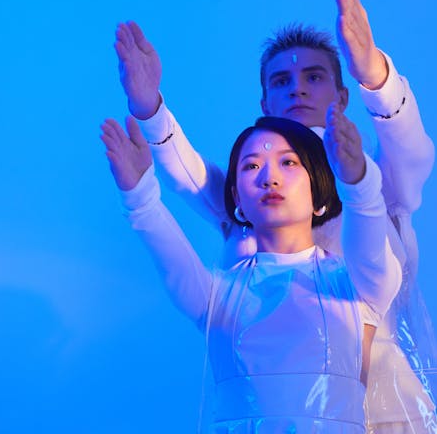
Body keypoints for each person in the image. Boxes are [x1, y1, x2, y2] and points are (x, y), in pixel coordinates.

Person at [114, 0, 437, 432]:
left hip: (385, 409)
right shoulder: (254, 195)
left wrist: (375, 73)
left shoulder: (371, 179)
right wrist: (148, 108)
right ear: (264, 98)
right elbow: (189, 176)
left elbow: (410, 150)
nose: (297, 89)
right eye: (282, 79)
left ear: (341, 94)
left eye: (313, 76)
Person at [100, 109, 401, 432]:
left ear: (319, 191)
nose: (269, 178)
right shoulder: (216, 296)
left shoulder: (357, 285)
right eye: (252, 166)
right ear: (236, 198)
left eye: (289, 163)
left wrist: (359, 182)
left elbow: (368, 241)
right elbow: (165, 250)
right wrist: (139, 195)